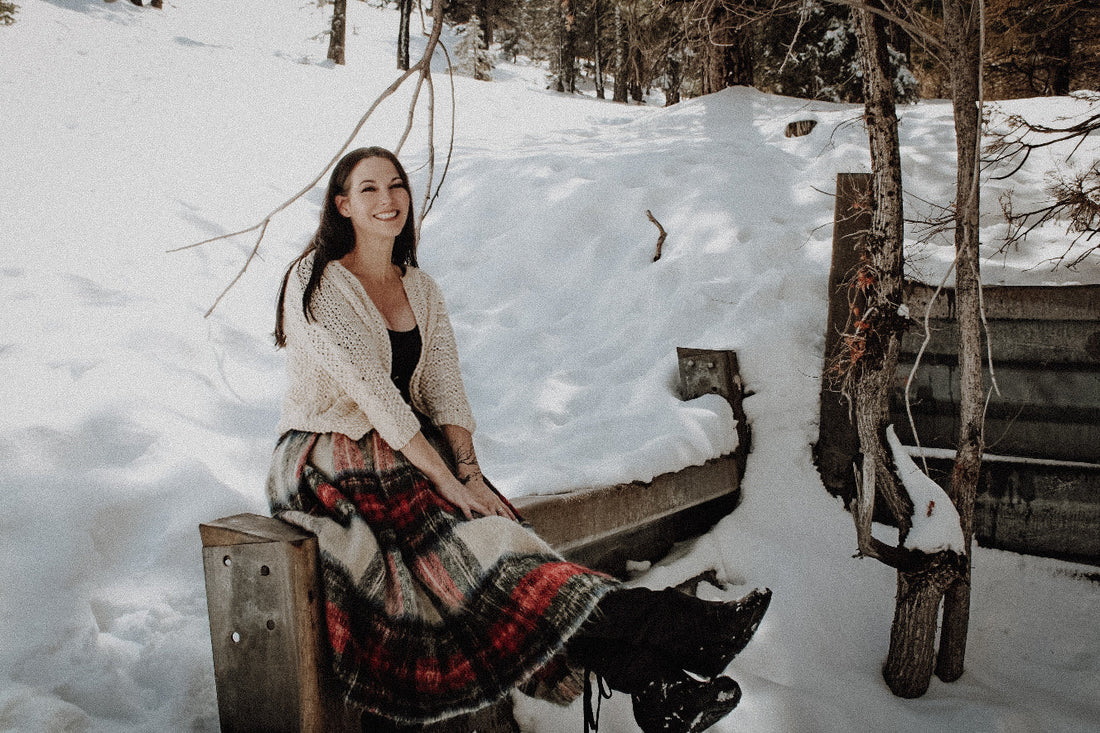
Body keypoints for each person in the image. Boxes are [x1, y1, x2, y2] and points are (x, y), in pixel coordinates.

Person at [266, 146, 771, 732]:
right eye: (370, 189)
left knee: (508, 555)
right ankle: (677, 630)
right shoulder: (319, 281)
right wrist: (447, 483)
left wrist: (470, 474)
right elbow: (377, 397)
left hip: (406, 454)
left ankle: (656, 687)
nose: (387, 200)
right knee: (488, 561)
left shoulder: (420, 288)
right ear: (343, 204)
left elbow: (445, 391)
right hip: (334, 458)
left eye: (396, 185)